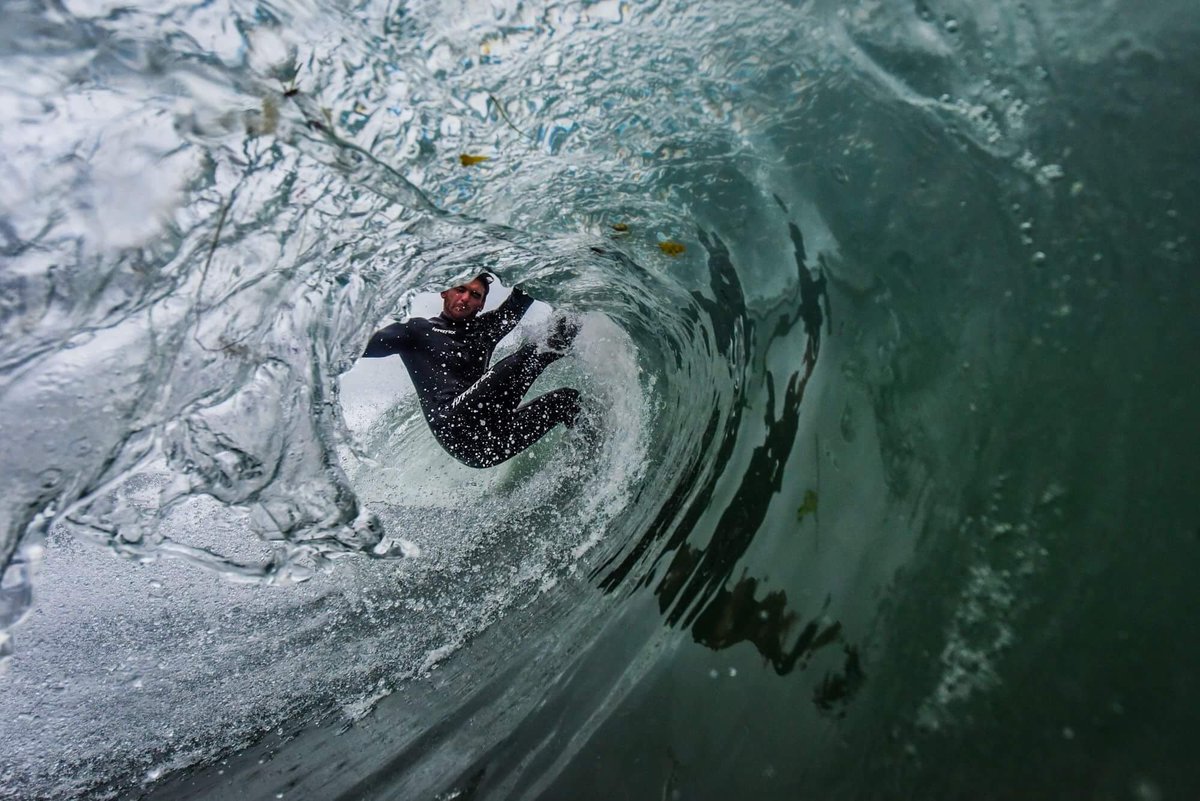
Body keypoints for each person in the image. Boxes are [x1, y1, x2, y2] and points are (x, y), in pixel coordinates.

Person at [362, 273, 581, 468]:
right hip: (455, 428)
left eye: (475, 295)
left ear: (481, 304)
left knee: (567, 399)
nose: (465, 298)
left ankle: (584, 464)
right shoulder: (416, 331)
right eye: (460, 289)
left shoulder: (487, 328)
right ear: (445, 292)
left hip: (492, 441)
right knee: (524, 357)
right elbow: (357, 345)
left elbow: (523, 293)